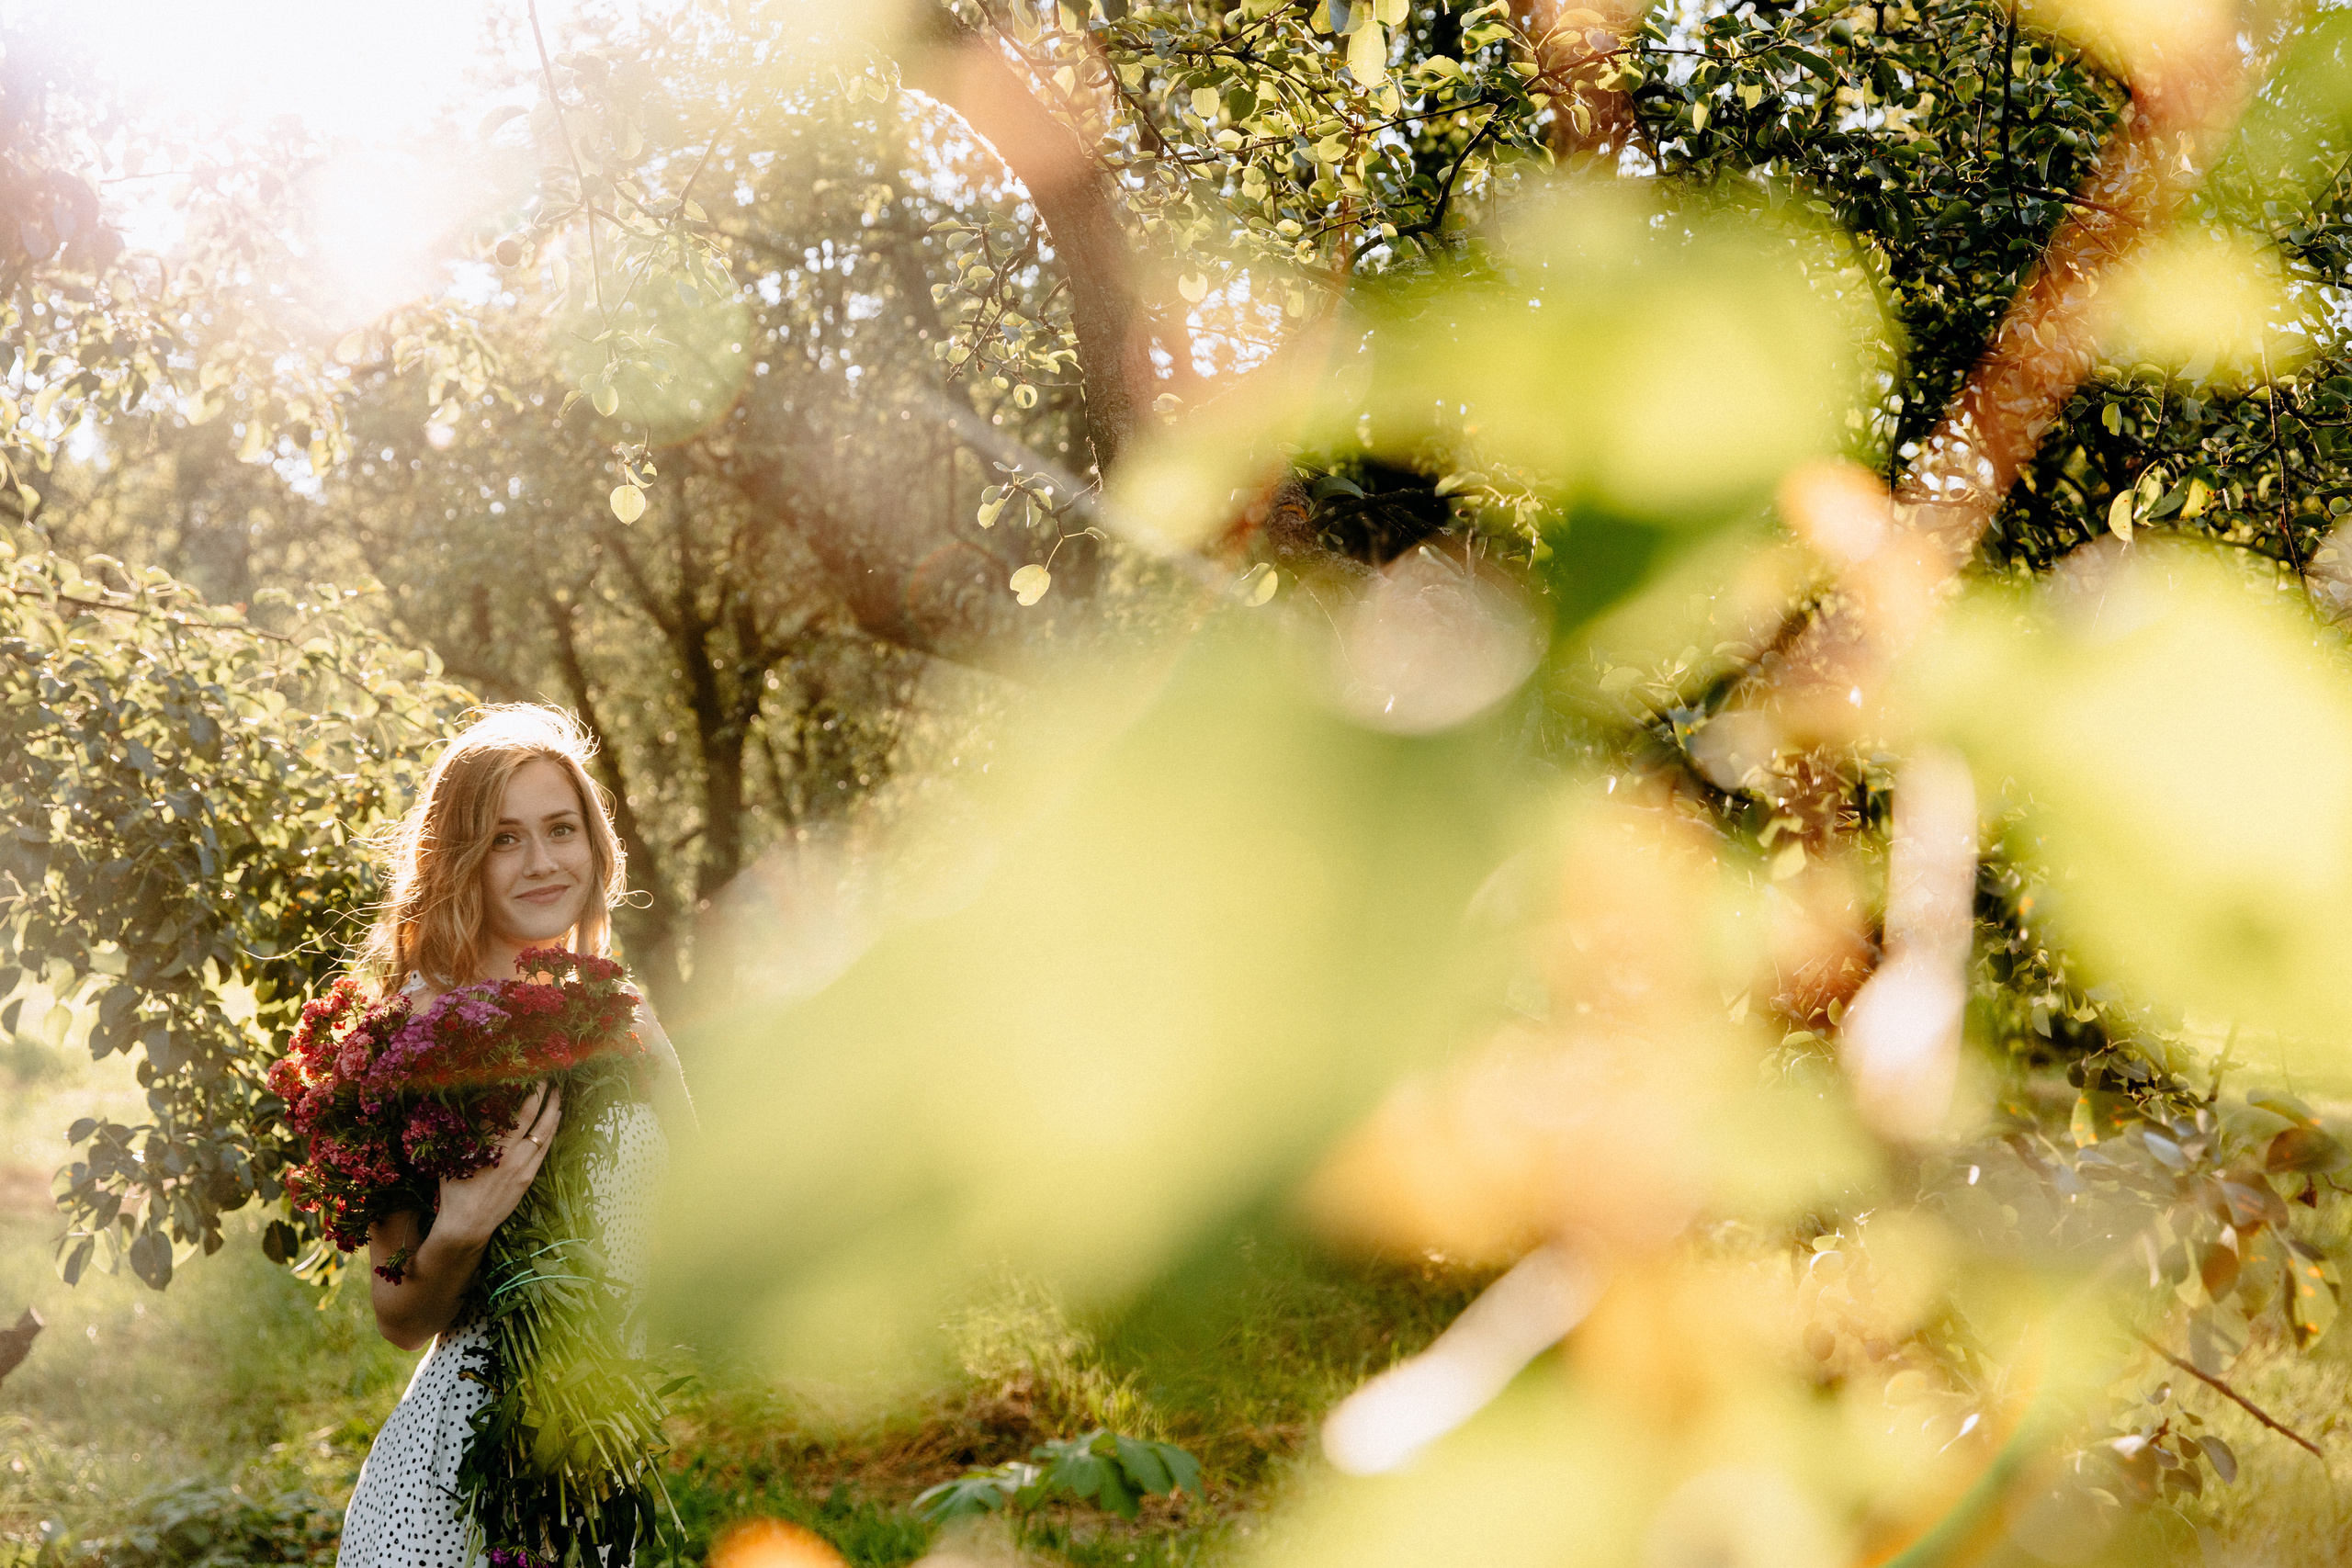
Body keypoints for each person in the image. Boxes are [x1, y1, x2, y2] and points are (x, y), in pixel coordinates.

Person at [336, 705, 686, 1568]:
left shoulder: (627, 1019)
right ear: (463, 860)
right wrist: (460, 1229)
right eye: (504, 838)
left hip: (591, 1490)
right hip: (445, 1505)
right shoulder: (413, 1041)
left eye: (560, 829)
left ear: (593, 844)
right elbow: (397, 1316)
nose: (541, 861)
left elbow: (703, 1217)